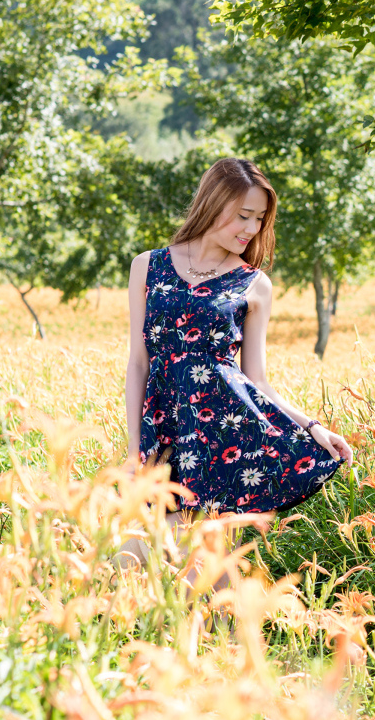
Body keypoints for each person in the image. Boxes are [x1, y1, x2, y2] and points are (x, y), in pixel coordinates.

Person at [119, 157, 353, 577]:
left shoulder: (254, 284)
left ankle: (224, 640)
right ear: (213, 204)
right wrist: (135, 446)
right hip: (165, 433)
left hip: (223, 439)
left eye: (260, 219)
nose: (251, 229)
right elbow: (139, 362)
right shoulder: (147, 267)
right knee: (135, 557)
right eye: (243, 216)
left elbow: (256, 380)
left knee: (201, 571)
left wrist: (313, 427)